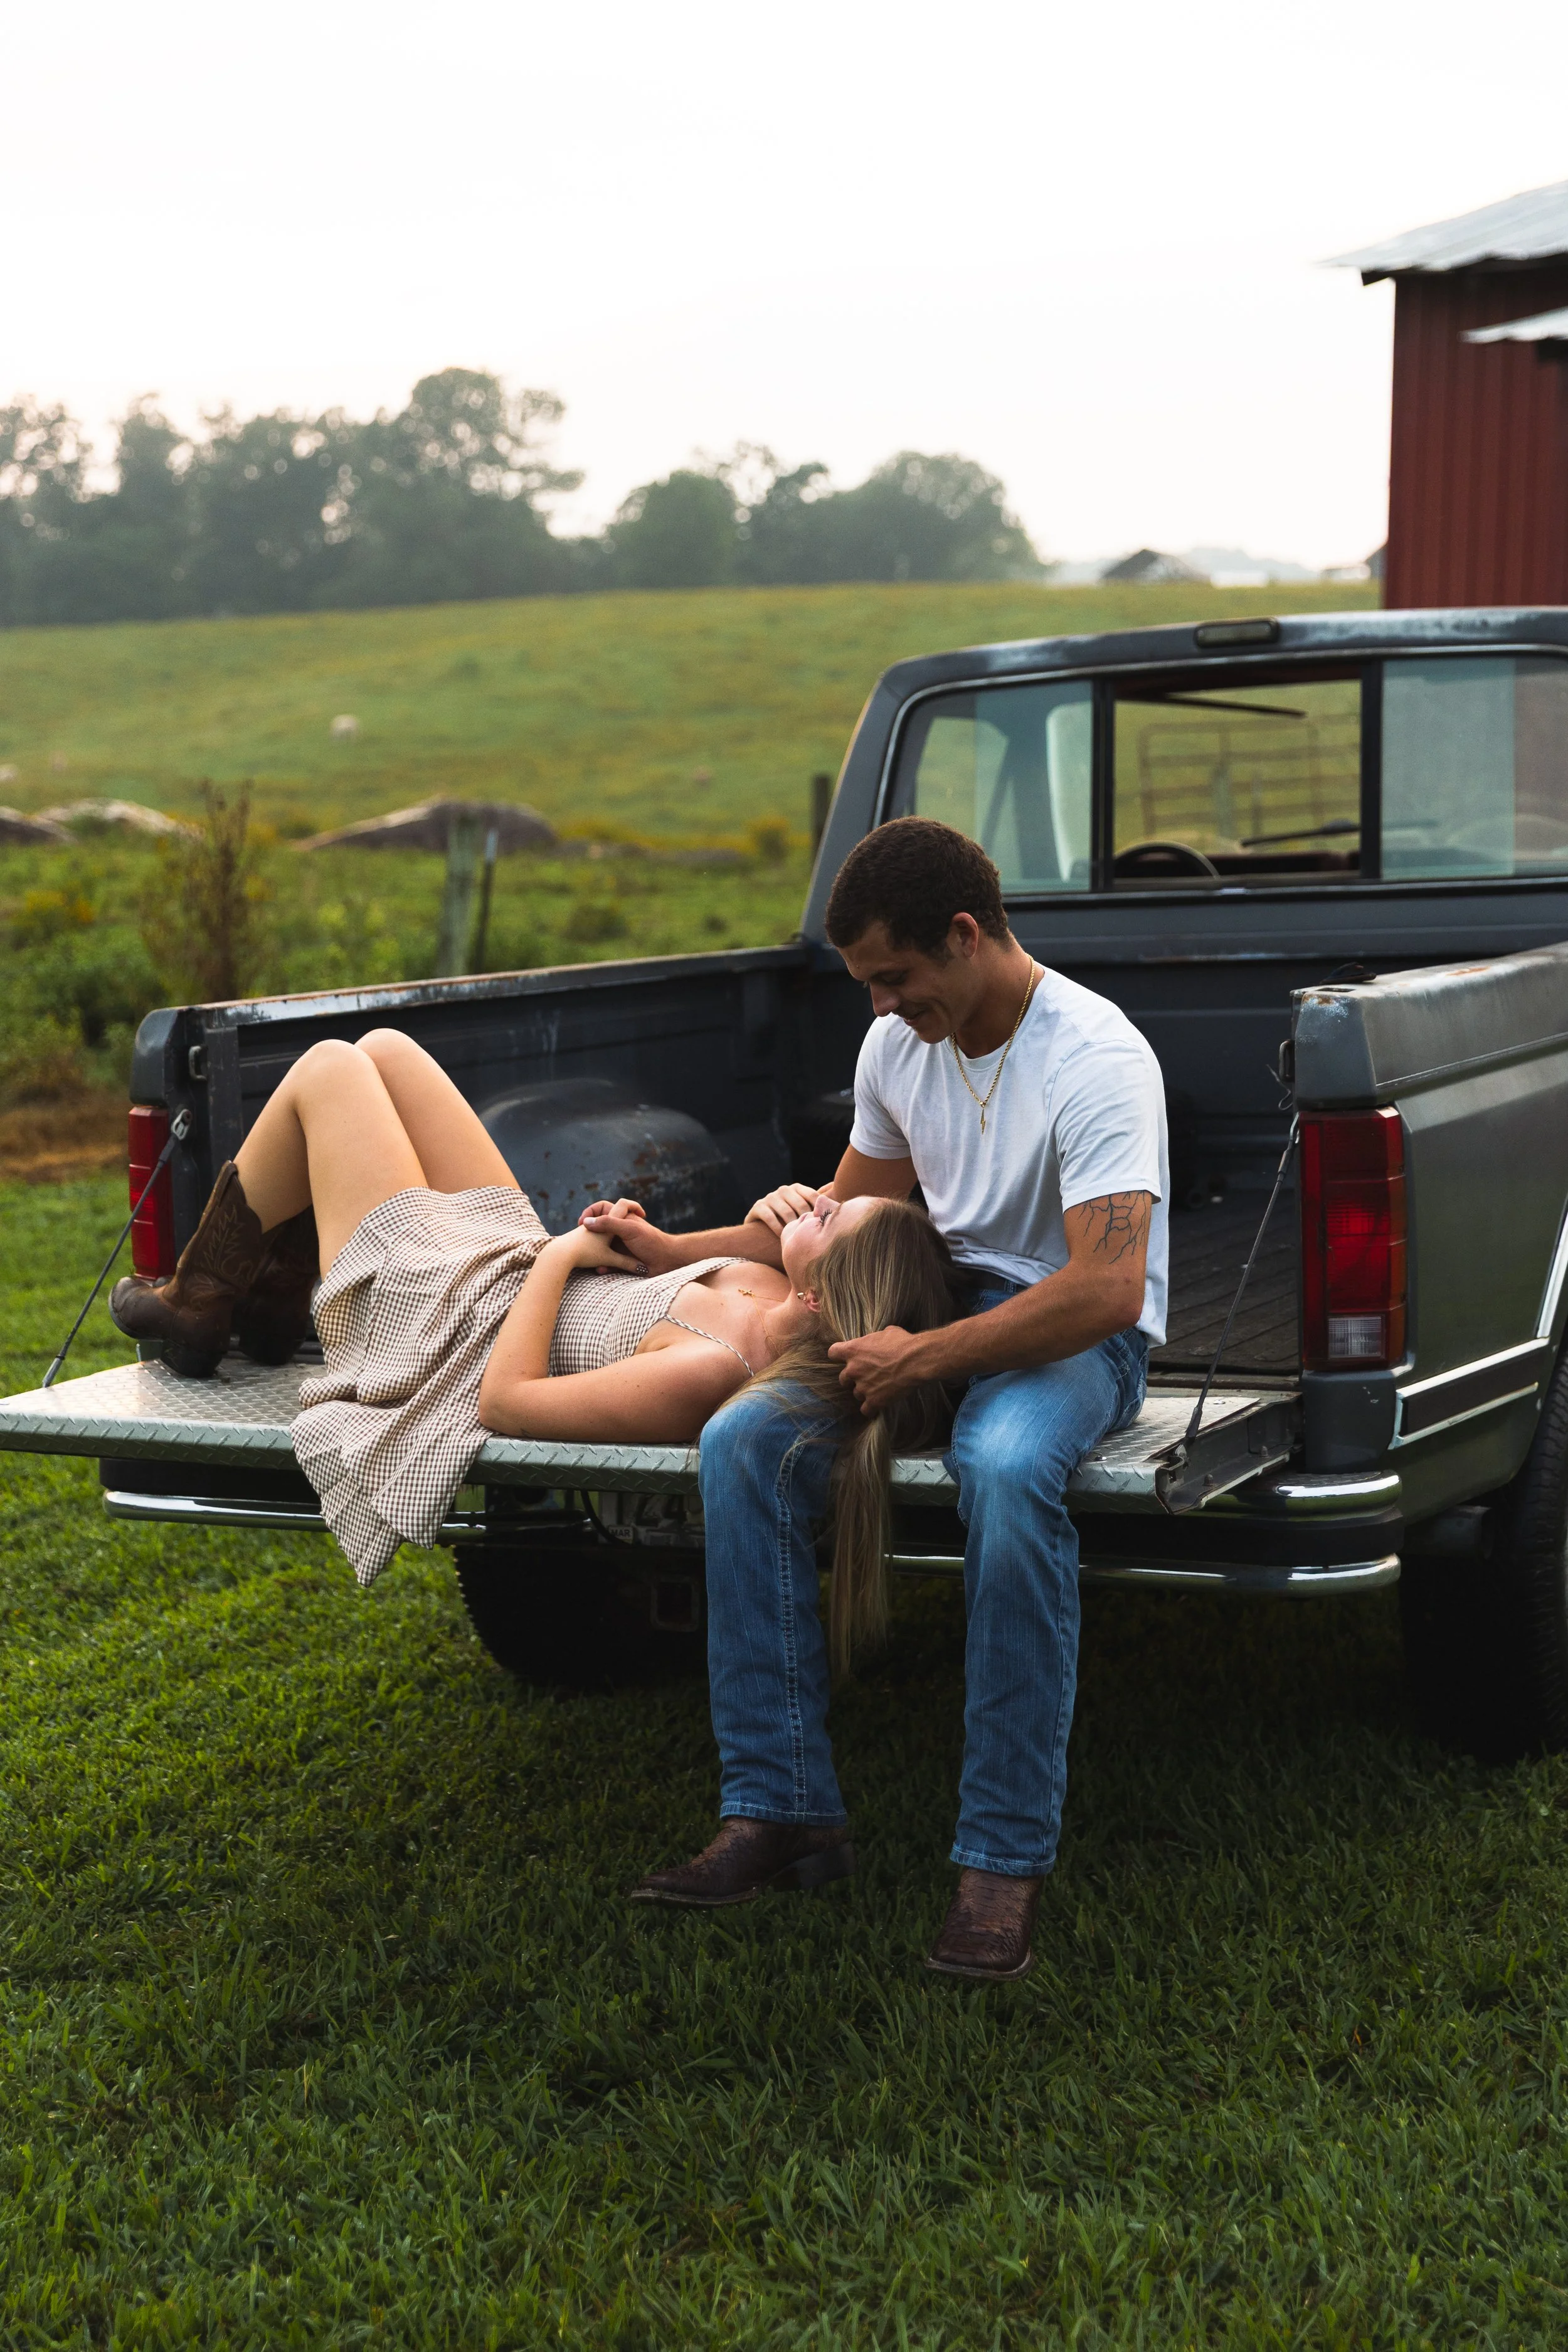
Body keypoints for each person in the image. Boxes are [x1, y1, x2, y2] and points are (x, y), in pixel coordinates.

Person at [593, 817, 1168, 1982]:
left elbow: (1106, 1290)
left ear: (965, 936)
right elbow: (836, 1205)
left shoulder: (1098, 1057)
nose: (880, 1008)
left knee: (1006, 1472)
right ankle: (781, 1808)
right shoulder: (899, 1048)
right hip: (920, 1310)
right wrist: (665, 1249)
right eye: (864, 985)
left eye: (894, 979)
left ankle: (1000, 1865)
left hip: (1065, 1334)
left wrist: (927, 1358)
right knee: (743, 1440)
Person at [107, 1027, 965, 1591]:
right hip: (507, 1277)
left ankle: (204, 1301)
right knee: (389, 1052)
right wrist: (662, 1242)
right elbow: (679, 1275)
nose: (818, 1197)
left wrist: (561, 1255)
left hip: (444, 1336)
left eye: (829, 1215)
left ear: (819, 1295)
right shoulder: (776, 1289)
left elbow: (506, 1403)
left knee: (332, 1068)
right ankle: (261, 1294)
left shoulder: (715, 1372)